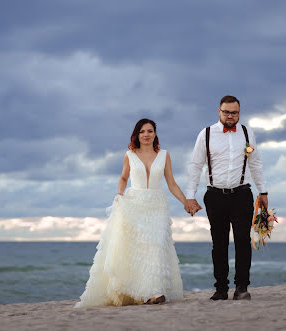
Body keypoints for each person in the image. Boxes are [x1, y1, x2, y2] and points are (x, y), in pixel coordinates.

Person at [75, 118, 195, 307]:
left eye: (150, 131)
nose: (146, 135)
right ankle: (144, 293)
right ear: (137, 135)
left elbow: (171, 183)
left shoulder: (164, 155)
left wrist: (186, 202)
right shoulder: (129, 155)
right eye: (142, 132)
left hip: (157, 204)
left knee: (156, 245)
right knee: (138, 248)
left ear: (155, 134)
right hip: (134, 203)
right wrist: (120, 193)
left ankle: (155, 291)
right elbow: (123, 178)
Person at [185, 95, 269, 301]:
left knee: (242, 242)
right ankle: (221, 288)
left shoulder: (247, 133)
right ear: (219, 111)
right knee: (219, 244)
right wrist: (190, 195)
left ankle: (241, 287)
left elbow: (255, 163)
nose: (230, 116)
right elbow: (196, 165)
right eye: (226, 112)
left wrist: (263, 191)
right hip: (215, 195)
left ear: (239, 112)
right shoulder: (205, 134)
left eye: (234, 112)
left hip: (242, 193)